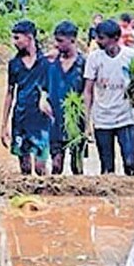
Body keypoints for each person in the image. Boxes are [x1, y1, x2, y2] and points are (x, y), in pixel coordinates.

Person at [85, 19, 134, 176]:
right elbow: (88, 90)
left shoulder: (132, 57)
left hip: (126, 118)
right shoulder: (94, 58)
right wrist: (87, 120)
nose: (97, 41)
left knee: (131, 164)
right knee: (107, 167)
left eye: (101, 38)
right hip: (102, 119)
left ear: (115, 38)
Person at [1, 20, 51, 176]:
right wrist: (4, 125)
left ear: (29, 37)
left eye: (17, 38)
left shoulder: (46, 62)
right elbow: (9, 93)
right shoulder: (14, 64)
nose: (14, 42)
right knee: (25, 167)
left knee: (40, 166)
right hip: (21, 116)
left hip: (41, 119)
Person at [46, 20, 88, 176]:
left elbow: (89, 91)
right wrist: (43, 100)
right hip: (54, 118)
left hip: (76, 119)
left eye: (60, 41)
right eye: (56, 40)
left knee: (77, 165)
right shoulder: (50, 62)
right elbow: (40, 85)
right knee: (56, 165)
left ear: (73, 40)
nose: (57, 45)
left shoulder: (83, 63)